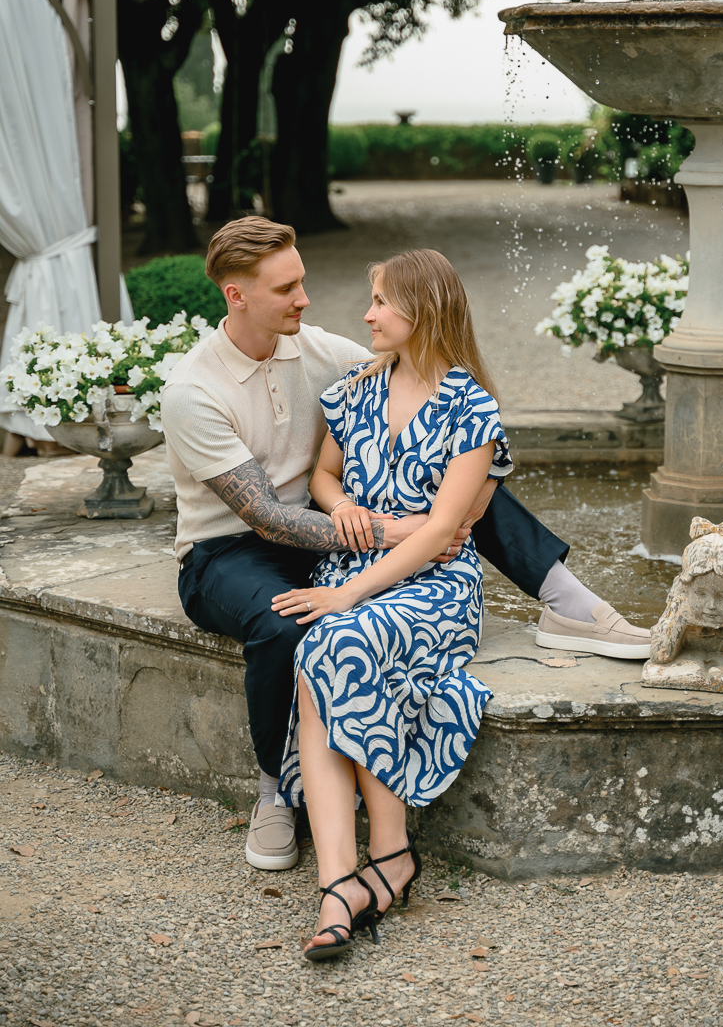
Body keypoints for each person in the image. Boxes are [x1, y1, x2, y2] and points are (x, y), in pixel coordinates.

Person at [160, 218, 649, 877]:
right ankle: (275, 791)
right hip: (228, 551)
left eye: (302, 279)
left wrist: (476, 483)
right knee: (284, 623)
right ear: (235, 295)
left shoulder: (317, 348)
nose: (306, 298)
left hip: (322, 528)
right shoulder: (194, 390)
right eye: (287, 288)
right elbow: (268, 519)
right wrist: (411, 530)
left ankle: (567, 601)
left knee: (454, 480)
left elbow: (429, 393)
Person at [273, 248, 510, 959]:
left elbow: (444, 528)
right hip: (359, 563)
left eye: (380, 301)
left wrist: (344, 593)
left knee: (334, 639)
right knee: (324, 647)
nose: (368, 314)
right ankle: (350, 877)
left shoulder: (472, 405)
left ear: (423, 310)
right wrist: (342, 503)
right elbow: (322, 472)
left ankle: (378, 859)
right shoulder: (356, 387)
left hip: (436, 586)